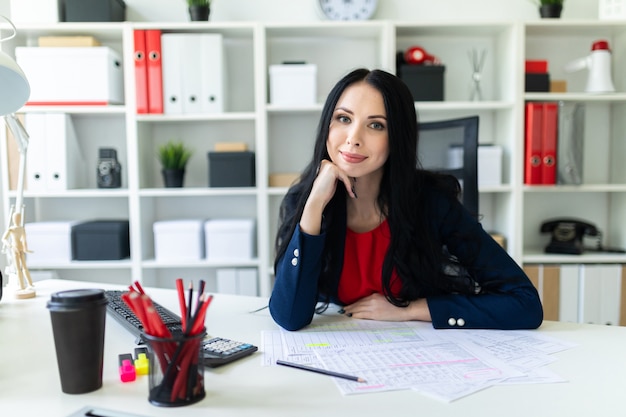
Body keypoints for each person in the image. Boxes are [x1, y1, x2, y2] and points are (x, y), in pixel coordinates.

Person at [269, 68, 543, 331]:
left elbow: (524, 303)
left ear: (397, 137)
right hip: (344, 348)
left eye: (376, 125)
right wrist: (314, 204)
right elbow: (289, 317)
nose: (353, 138)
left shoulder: (431, 201)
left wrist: (410, 310)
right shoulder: (305, 201)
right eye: (343, 118)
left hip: (418, 351)